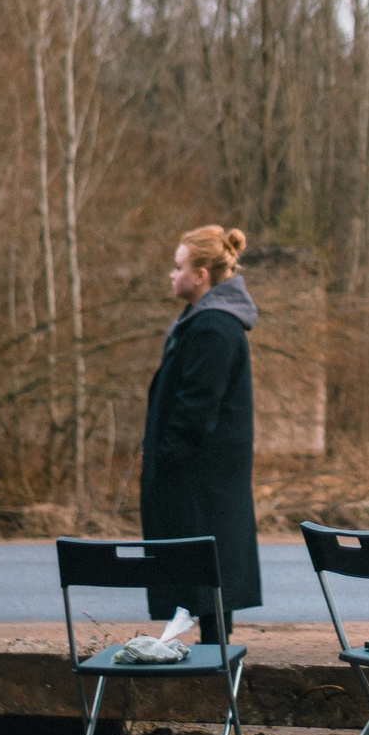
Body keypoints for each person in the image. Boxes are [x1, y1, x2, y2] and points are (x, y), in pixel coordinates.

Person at [139, 224, 261, 640]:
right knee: (208, 589)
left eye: (178, 268)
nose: (172, 276)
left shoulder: (213, 328)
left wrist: (165, 457)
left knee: (210, 588)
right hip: (204, 483)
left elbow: (196, 409)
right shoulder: (207, 324)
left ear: (202, 274)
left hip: (202, 484)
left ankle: (217, 681)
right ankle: (215, 678)